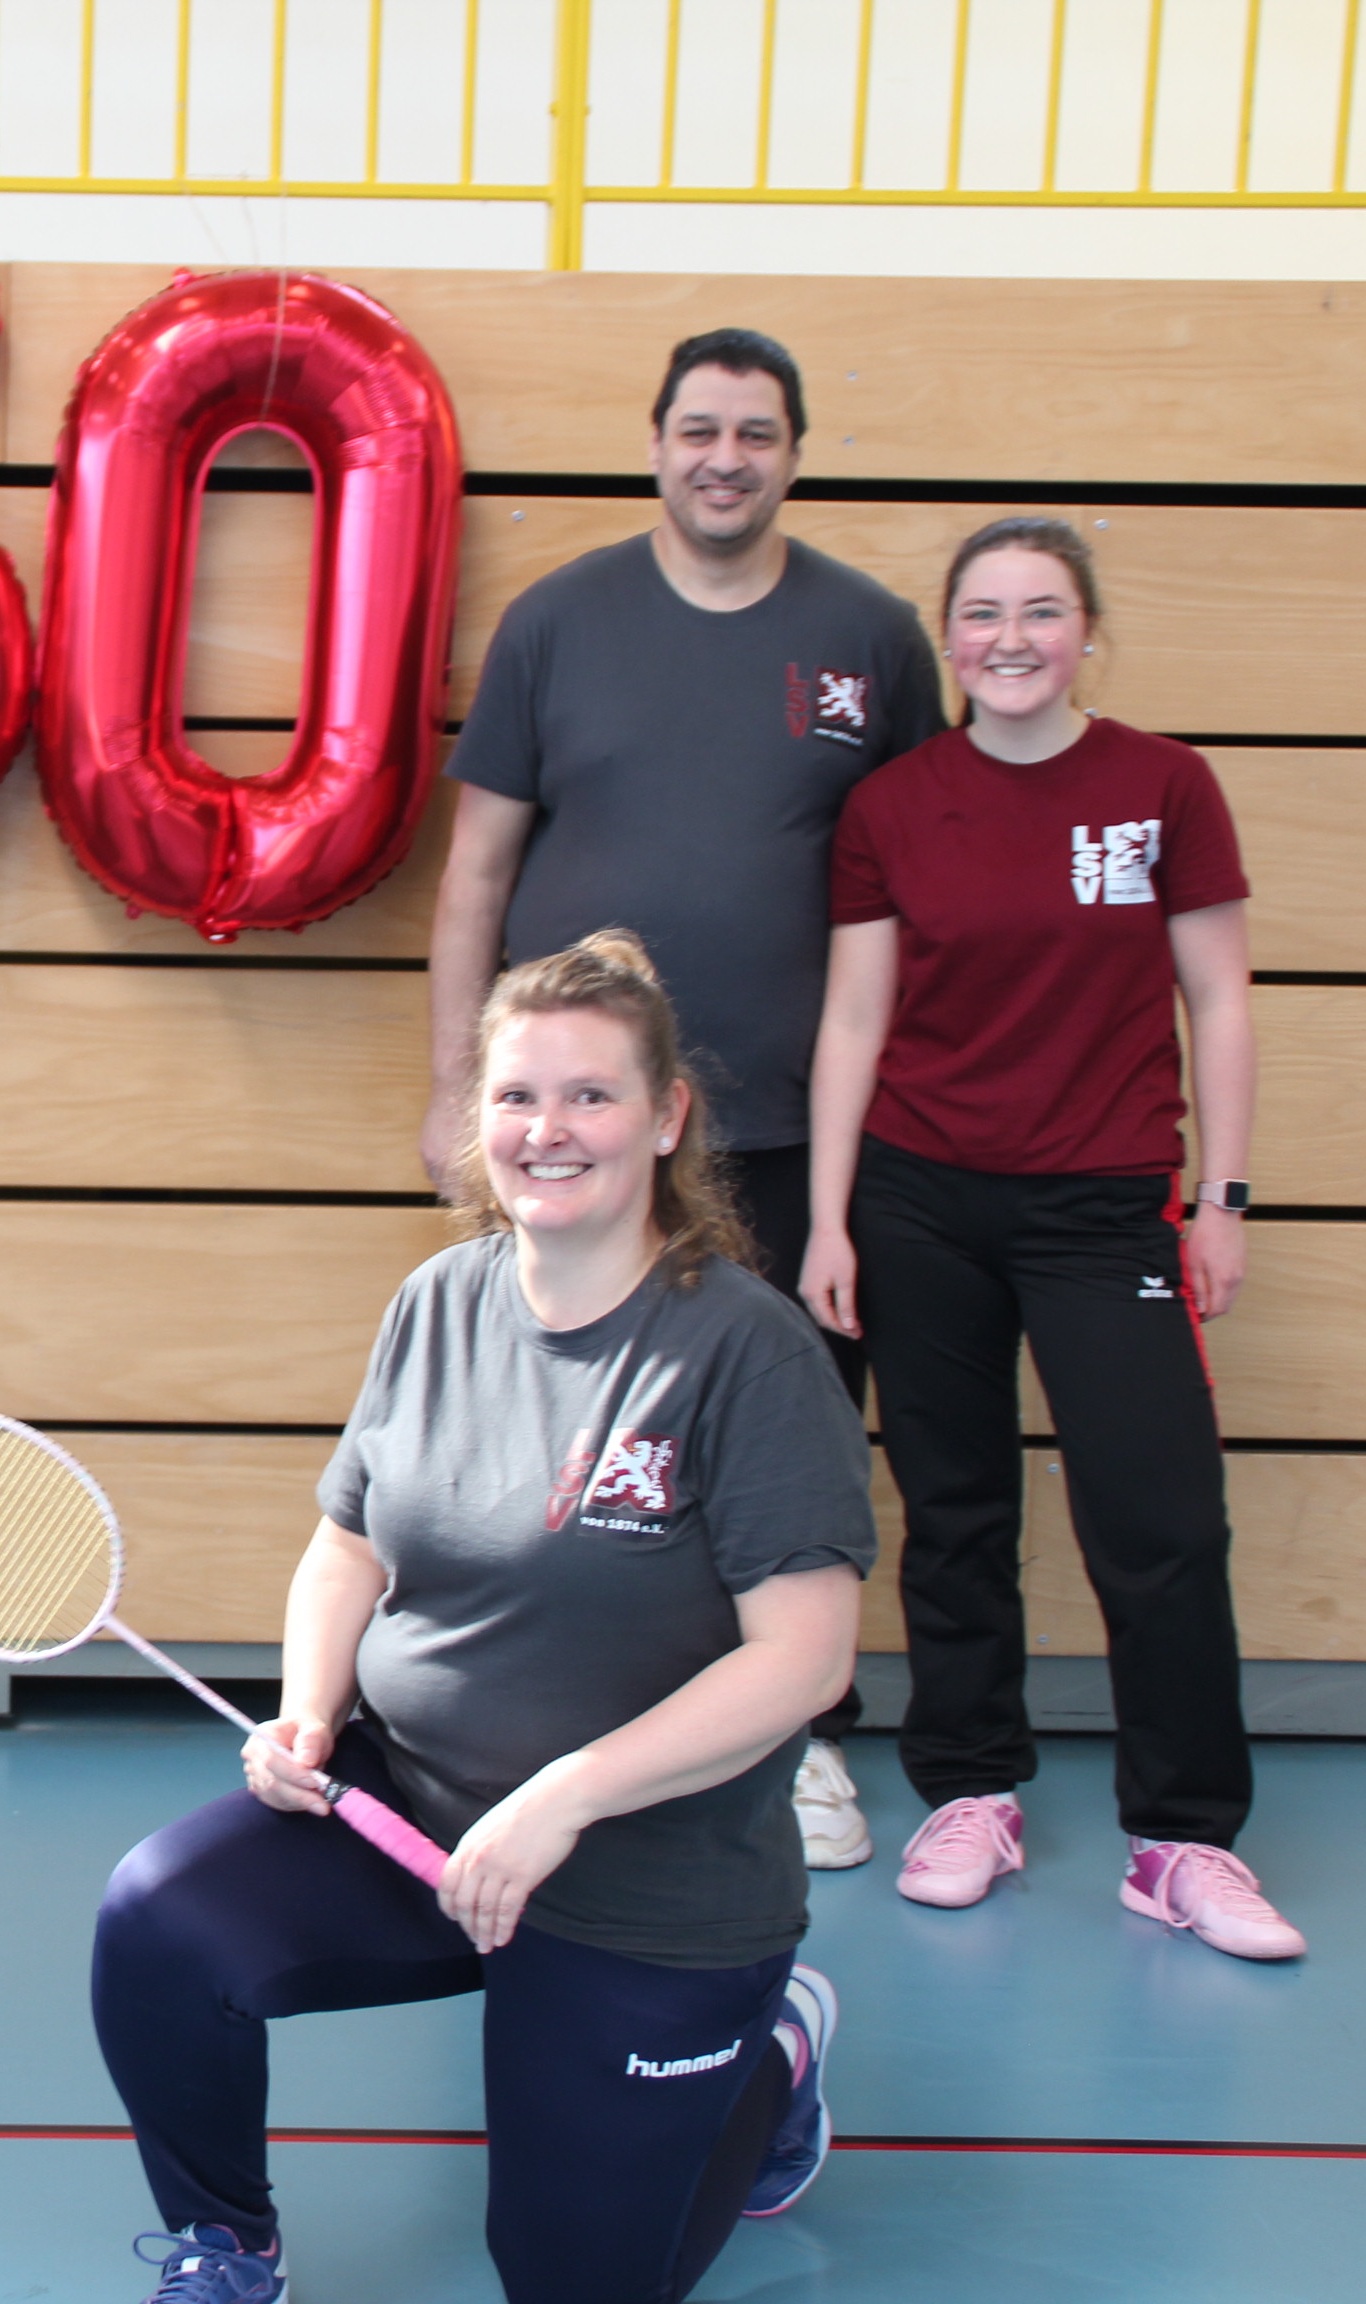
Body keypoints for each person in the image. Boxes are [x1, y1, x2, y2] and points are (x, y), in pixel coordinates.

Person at [96, 933, 875, 2304]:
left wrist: (567, 1795)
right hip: (415, 1819)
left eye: (591, 1095)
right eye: (517, 1097)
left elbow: (804, 1660)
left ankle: (770, 2057)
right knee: (160, 1920)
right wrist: (309, 1712)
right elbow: (346, 1548)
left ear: (667, 1116)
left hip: (649, 1882)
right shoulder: (435, 1300)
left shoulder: (745, 1353)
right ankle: (228, 2244)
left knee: (571, 2283)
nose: (549, 1130)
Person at [429, 327, 944, 1873]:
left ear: (794, 453)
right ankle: (558, 1733)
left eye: (759, 434)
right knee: (571, 1447)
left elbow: (917, 885)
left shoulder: (870, 639)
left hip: (788, 1129)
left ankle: (796, 1749)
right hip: (573, 1132)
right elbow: (472, 882)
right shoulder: (556, 624)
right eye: (701, 429)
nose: (727, 457)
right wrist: (460, 1089)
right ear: (656, 441)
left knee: (786, 1447)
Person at [798, 518, 1299, 1961]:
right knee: (955, 1517)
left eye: (1040, 611)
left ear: (1089, 633)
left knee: (1158, 1525)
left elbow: (1222, 1002)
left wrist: (1223, 1199)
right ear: (946, 640)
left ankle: (1186, 1841)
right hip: (919, 1199)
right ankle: (971, 1793)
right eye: (979, 614)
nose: (1008, 638)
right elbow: (854, 1017)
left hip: (1105, 1205)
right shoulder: (894, 803)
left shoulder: (1162, 786)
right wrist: (831, 1215)